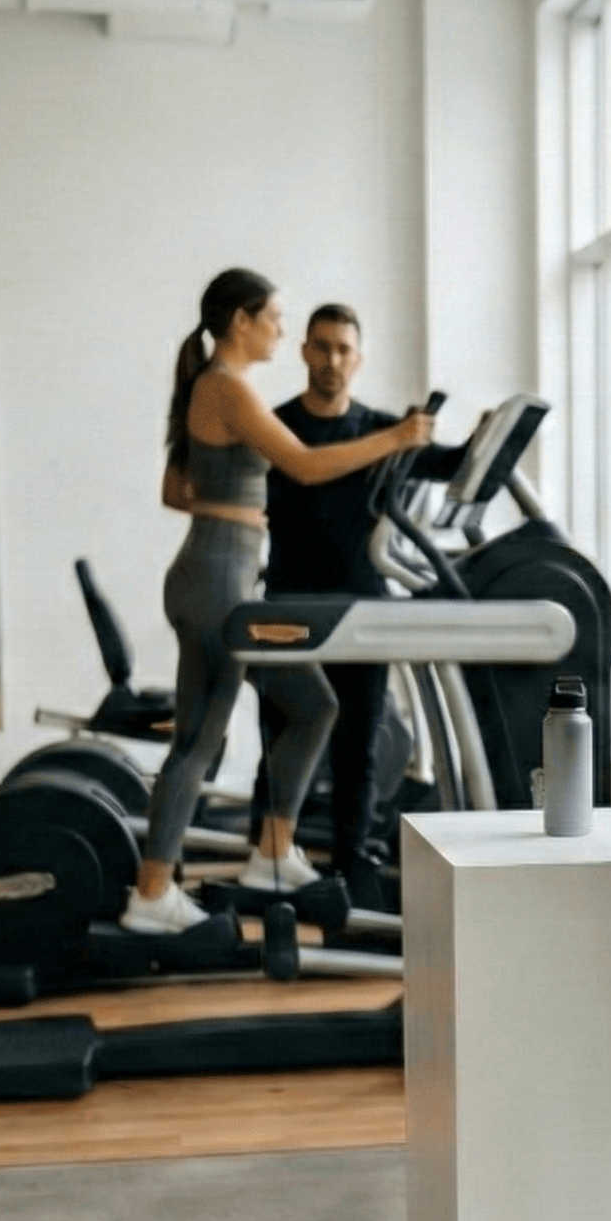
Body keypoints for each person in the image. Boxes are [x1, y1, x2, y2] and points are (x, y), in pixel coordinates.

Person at [123, 269, 432, 934]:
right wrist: (398, 436)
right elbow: (306, 466)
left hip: (215, 568)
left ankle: (268, 853)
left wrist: (234, 509)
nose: (281, 331)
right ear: (242, 321)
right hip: (217, 579)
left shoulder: (213, 385)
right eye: (274, 318)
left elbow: (176, 492)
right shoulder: (228, 386)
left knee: (306, 707)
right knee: (206, 739)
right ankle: (153, 894)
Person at [256, 303, 460, 901]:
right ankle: (268, 859)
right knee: (281, 739)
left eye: (343, 349)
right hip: (290, 606)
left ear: (359, 359)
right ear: (304, 351)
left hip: (362, 607)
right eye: (322, 347)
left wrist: (488, 434)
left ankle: (351, 862)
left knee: (358, 744)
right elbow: (305, 470)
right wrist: (398, 438)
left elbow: (450, 465)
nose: (332, 360)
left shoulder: (380, 427)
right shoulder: (278, 427)